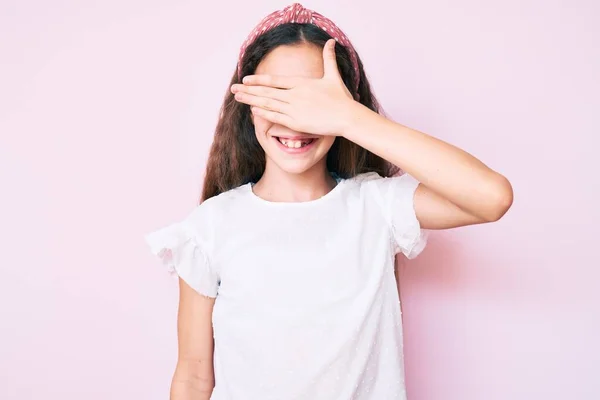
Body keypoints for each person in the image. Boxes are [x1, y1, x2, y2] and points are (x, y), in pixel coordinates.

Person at [145, 3, 513, 399]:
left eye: (314, 103)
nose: (295, 120)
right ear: (247, 106)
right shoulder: (210, 228)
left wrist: (349, 118)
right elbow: (193, 376)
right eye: (277, 98)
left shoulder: (377, 208)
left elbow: (491, 197)